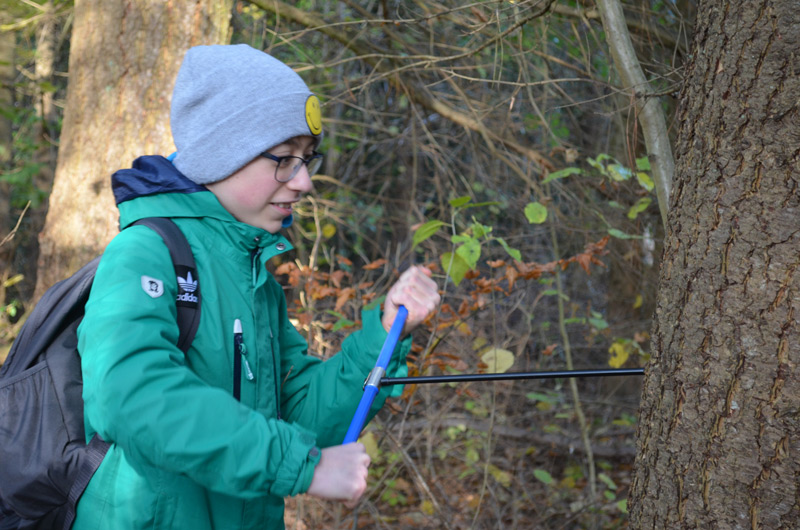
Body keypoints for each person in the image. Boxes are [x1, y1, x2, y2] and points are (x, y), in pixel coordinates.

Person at [73, 44, 440, 530]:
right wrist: (302, 467)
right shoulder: (146, 252)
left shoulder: (252, 273)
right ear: (224, 154)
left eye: (307, 159)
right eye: (285, 159)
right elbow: (132, 397)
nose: (304, 181)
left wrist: (387, 331)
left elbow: (303, 413)